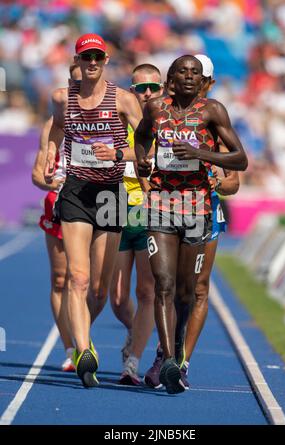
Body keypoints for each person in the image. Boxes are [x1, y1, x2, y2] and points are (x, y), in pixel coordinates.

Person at [135, 54, 247, 394]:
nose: (188, 76)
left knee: (187, 291)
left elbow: (239, 159)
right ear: (171, 77)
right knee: (163, 285)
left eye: (194, 73)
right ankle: (169, 361)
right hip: (161, 206)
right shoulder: (155, 108)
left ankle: (178, 351)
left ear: (202, 81)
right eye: (181, 71)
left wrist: (202, 154)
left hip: (197, 209)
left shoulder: (213, 111)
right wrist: (142, 161)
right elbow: (141, 136)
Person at [44, 33, 142, 388]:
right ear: (78, 59)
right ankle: (83, 353)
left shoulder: (124, 100)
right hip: (75, 192)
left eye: (98, 57)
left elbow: (149, 147)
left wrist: (117, 154)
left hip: (111, 194)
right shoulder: (61, 98)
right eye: (86, 57)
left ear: (106, 59)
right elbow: (55, 129)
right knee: (77, 278)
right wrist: (48, 154)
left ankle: (87, 333)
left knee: (100, 289)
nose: (92, 63)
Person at [109, 64, 164, 386]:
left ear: (162, 90)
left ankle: (133, 362)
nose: (146, 94)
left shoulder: (167, 122)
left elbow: (161, 148)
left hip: (149, 211)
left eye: (152, 88)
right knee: (115, 296)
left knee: (146, 290)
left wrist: (121, 154)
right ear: (131, 91)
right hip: (115, 209)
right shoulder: (119, 121)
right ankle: (134, 332)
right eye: (140, 88)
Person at [32, 64, 82, 372]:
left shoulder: (110, 119)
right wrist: (54, 181)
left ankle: (127, 336)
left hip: (95, 205)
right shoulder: (53, 125)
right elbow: (38, 174)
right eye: (74, 84)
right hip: (59, 203)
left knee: (96, 286)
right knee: (62, 278)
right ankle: (73, 348)